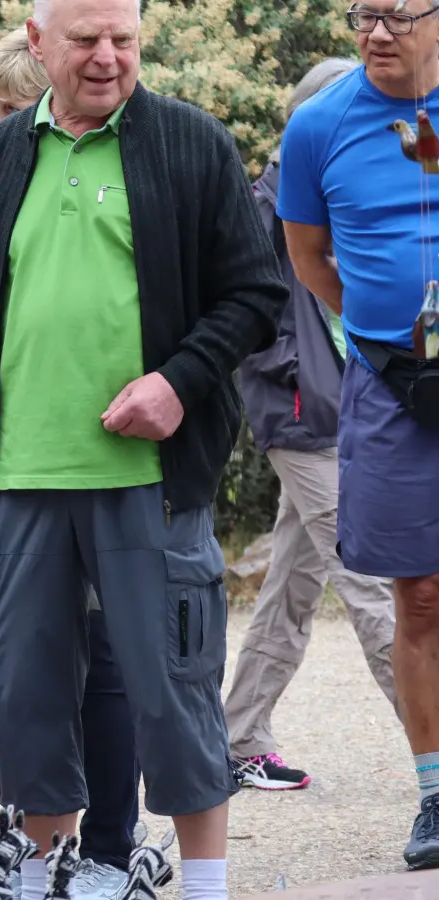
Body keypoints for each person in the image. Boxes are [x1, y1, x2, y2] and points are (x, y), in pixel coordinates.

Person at [0, 0, 288, 893]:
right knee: (26, 695)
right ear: (37, 43)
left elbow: (255, 293)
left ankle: (203, 889)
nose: (107, 57)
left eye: (122, 38)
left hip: (150, 483)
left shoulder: (191, 145)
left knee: (178, 692)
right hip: (20, 483)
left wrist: (178, 382)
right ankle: (49, 880)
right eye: (85, 39)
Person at [0, 27, 137, 900]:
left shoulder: (118, 161)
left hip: (101, 454)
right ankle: (32, 847)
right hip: (3, 456)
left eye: (10, 107)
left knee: (106, 654)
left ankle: (110, 851)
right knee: (14, 661)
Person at [275, 0, 439, 869]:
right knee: (416, 595)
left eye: (399, 14)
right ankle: (437, 794)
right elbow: (308, 256)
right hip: (395, 387)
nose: (378, 32)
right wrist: (380, 343)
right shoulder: (317, 128)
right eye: (363, 14)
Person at [227, 56, 401, 794]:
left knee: (293, 585)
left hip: (347, 407)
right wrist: (288, 368)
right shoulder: (263, 201)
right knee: (374, 584)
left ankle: (237, 738)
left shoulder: (343, 187)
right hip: (300, 413)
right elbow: (238, 303)